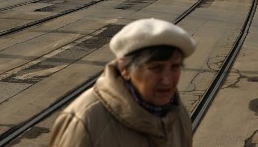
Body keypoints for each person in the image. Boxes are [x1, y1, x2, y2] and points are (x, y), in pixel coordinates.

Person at [48, 18, 197, 147]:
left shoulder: (178, 116)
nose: (167, 80)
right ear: (124, 69)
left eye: (175, 67)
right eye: (155, 68)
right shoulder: (84, 121)